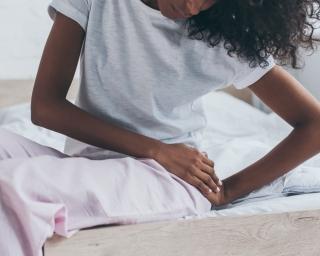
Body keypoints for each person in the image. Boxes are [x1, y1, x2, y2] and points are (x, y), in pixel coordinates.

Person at [4, 0, 320, 207]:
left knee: (16, 186)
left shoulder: (227, 35)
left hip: (168, 179)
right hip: (91, 163)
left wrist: (229, 191)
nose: (193, 7)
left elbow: (315, 124)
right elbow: (45, 106)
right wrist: (157, 149)